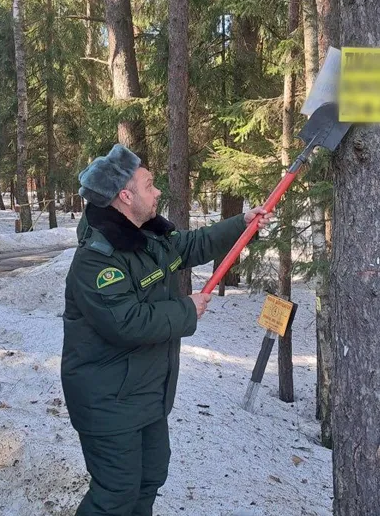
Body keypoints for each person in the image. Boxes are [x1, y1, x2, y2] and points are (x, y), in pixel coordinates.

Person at [61, 144, 271, 515]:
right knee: (115, 494)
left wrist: (243, 223)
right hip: (108, 400)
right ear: (125, 196)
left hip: (145, 394)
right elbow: (126, 323)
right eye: (149, 185)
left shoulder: (148, 236)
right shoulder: (97, 259)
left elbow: (193, 245)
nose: (157, 192)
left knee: (150, 478)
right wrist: (185, 309)